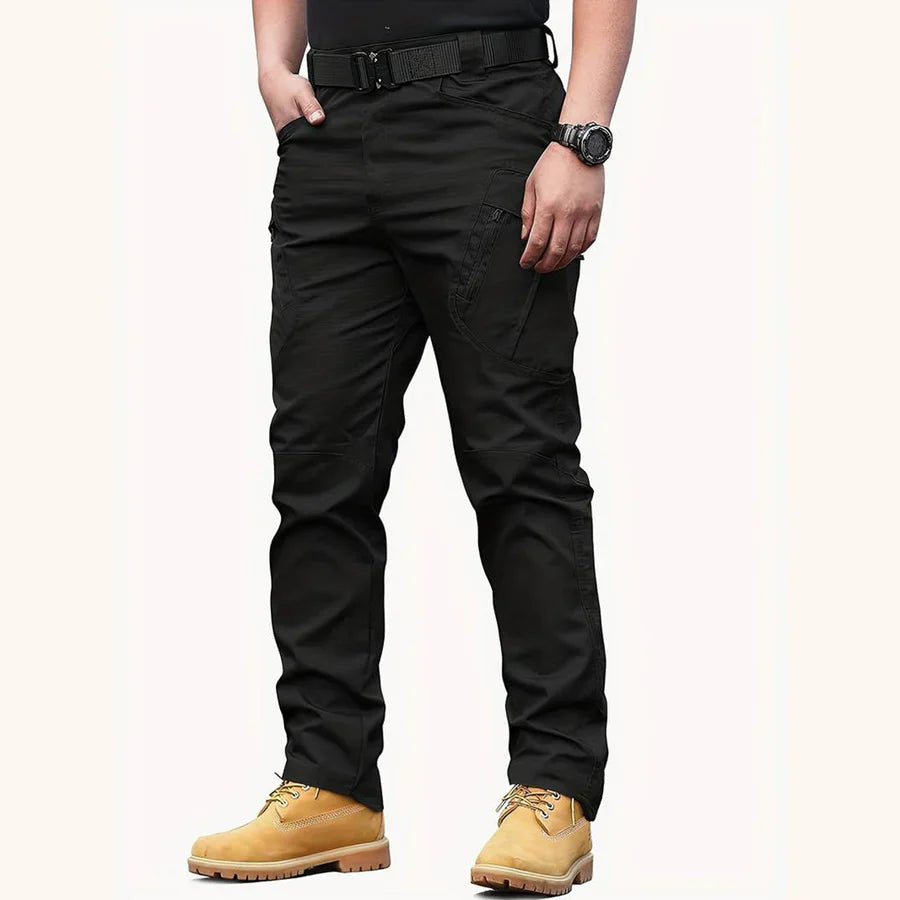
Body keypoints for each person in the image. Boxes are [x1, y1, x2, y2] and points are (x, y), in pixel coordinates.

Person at [189, 0, 635, 892]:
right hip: (331, 131)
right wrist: (273, 62)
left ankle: (554, 788)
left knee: (520, 466)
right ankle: (331, 784)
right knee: (317, 471)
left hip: (489, 116)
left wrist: (582, 136)